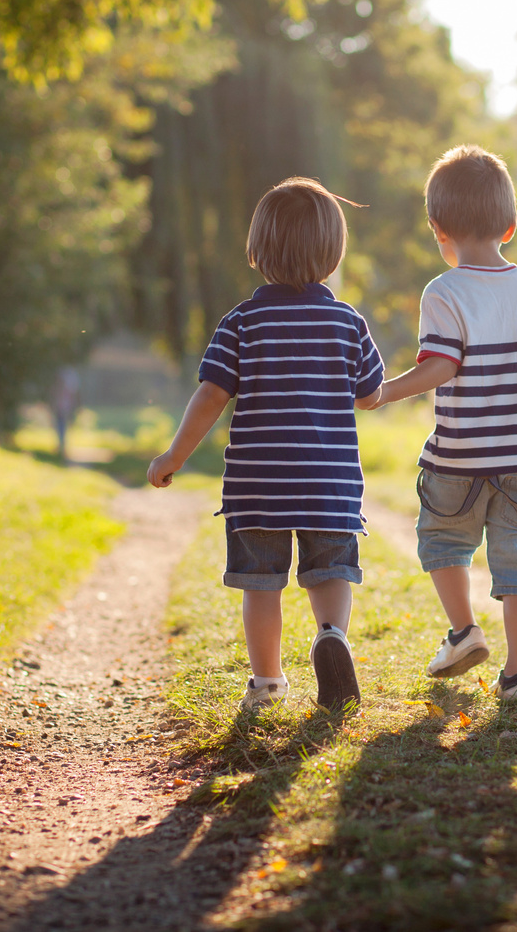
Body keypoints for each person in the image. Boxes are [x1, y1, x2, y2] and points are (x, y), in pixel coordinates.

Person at [147, 178, 384, 712]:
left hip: (259, 486)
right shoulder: (348, 322)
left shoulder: (242, 322)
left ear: (257, 250)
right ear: (333, 253)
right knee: (330, 573)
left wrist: (174, 456)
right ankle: (331, 635)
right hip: (329, 485)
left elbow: (211, 395)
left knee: (262, 586)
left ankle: (269, 683)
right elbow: (369, 395)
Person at [363, 144, 517, 701]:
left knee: (442, 538)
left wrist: (386, 392)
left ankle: (463, 631)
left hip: (461, 454)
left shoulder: (444, 291)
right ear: (509, 226)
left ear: (438, 228)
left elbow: (441, 365)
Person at [51, 366, 81, 463]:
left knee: (63, 427)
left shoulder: (68, 391)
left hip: (65, 410)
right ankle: (61, 445)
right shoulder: (60, 390)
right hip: (60, 410)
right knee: (59, 427)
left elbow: (72, 399)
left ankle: (62, 446)